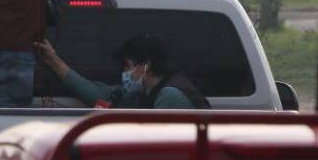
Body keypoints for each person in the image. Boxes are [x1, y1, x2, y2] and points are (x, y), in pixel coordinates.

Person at [34, 34, 210, 109]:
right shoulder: (142, 94)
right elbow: (96, 94)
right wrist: (53, 61)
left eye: (128, 67)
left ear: (144, 66)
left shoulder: (170, 96)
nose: (124, 74)